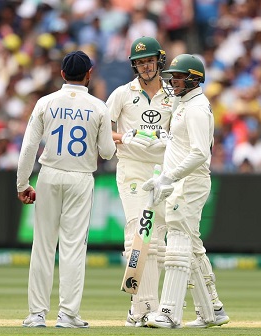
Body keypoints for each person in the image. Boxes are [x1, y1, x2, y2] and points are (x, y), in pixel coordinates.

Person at [17, 50, 116, 328]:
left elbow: (28, 148)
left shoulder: (45, 102)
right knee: (73, 248)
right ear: (89, 75)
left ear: (62, 74)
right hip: (81, 178)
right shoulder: (98, 106)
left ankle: (37, 314)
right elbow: (107, 153)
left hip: (48, 175)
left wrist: (22, 184)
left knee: (43, 246)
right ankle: (68, 315)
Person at [142, 54, 230, 328]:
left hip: (189, 182)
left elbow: (200, 153)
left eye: (178, 77)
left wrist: (169, 176)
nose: (173, 81)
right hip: (180, 182)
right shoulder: (185, 103)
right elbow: (180, 145)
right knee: (191, 245)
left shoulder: (196, 108)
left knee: (178, 241)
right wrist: (163, 173)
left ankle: (169, 312)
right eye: (173, 77)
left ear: (194, 78)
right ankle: (212, 310)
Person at [106, 36, 174, 326]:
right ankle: (144, 307)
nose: (145, 66)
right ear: (134, 65)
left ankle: (142, 310)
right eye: (140, 62)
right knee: (138, 232)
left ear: (159, 60)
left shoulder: (173, 96)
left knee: (156, 240)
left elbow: (185, 135)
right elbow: (100, 131)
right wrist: (124, 136)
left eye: (149, 60)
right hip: (132, 169)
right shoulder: (122, 94)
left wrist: (169, 139)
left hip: (163, 172)